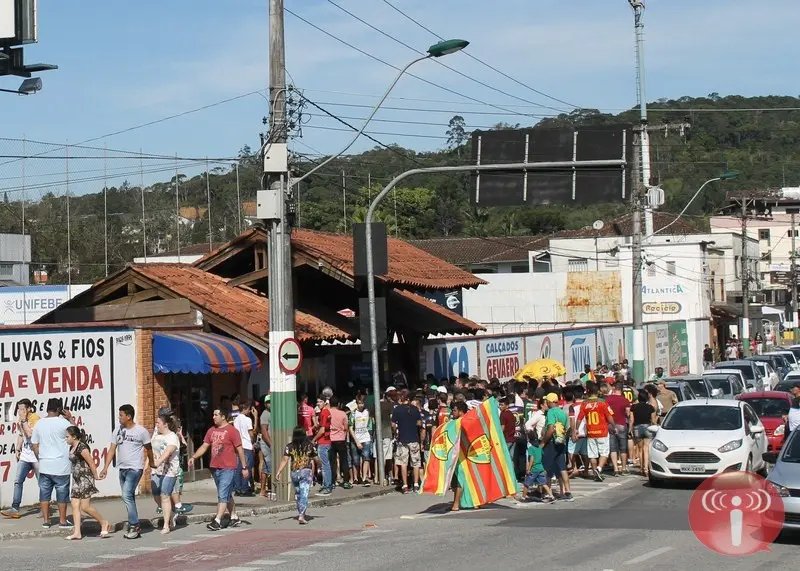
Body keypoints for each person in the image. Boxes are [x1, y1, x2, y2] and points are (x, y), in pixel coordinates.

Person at [189, 407, 249, 531]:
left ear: (223, 417)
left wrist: (244, 467)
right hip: (215, 467)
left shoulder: (232, 431)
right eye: (213, 414)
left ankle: (217, 520)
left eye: (216, 415)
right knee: (226, 493)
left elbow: (239, 450)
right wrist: (194, 457)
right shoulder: (211, 430)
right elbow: (205, 446)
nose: (213, 417)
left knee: (222, 493)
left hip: (228, 467)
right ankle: (234, 516)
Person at [99, 404, 154, 540]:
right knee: (128, 496)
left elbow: (149, 448)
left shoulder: (141, 431)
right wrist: (105, 468)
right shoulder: (117, 430)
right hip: (122, 468)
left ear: (129, 416)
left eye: (121, 415)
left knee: (126, 495)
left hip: (135, 468)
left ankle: (134, 525)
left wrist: (151, 463)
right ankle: (133, 523)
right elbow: (112, 449)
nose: (119, 417)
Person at [31, 399, 74, 529]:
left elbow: (34, 445)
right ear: (59, 409)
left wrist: (40, 458)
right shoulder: (64, 423)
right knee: (62, 494)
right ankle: (62, 521)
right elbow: (76, 436)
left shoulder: (39, 423)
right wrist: (70, 418)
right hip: (61, 465)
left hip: (45, 464)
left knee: (44, 494)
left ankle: (46, 521)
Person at [64, 426, 110, 540]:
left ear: (74, 437)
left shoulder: (82, 447)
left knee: (85, 507)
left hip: (85, 478)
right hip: (76, 479)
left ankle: (103, 522)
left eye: (67, 436)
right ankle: (77, 532)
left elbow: (91, 462)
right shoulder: (72, 447)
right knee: (75, 505)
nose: (66, 439)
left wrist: (95, 475)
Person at [2, 398, 40, 519]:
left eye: (22, 409)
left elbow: (30, 434)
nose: (20, 411)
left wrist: (24, 421)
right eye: (19, 409)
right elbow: (21, 435)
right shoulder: (21, 419)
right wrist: (18, 449)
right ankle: (15, 508)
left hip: (36, 456)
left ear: (29, 408)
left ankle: (45, 508)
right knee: (18, 481)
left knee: (42, 483)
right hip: (25, 456)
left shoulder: (35, 419)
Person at [275, 427, 317, 525]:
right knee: (304, 494)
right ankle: (301, 515)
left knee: (298, 494)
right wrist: (320, 466)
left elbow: (284, 460)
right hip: (306, 472)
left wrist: (279, 471)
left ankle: (300, 513)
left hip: (294, 472)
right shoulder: (310, 445)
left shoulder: (289, 446)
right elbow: (316, 458)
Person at [576, 382, 615, 482]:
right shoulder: (603, 402)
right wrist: (613, 426)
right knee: (604, 453)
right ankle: (599, 469)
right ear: (597, 391)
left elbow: (579, 418)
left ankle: (595, 474)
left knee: (592, 455)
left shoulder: (584, 404)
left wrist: (576, 429)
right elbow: (609, 416)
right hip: (602, 432)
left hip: (591, 432)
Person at [150, 412, 181, 534]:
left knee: (165, 495)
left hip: (169, 470)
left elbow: (168, 451)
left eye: (158, 423)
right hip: (156, 470)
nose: (156, 425)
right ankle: (171, 513)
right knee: (156, 494)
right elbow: (151, 451)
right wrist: (147, 464)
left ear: (165, 424)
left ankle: (166, 525)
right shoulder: (156, 435)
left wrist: (158, 462)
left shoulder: (172, 437)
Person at [540, 393, 573, 501]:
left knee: (546, 467)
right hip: (561, 442)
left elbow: (550, 429)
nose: (546, 403)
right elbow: (568, 429)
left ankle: (548, 493)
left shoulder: (551, 412)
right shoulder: (563, 412)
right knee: (562, 468)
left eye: (547, 401)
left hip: (551, 443)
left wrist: (543, 442)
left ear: (549, 402)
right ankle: (568, 492)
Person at [391, 389, 423, 494]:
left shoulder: (397, 409)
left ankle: (405, 485)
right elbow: (419, 423)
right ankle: (416, 484)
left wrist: (396, 431)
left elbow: (393, 424)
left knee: (403, 462)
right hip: (414, 438)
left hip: (402, 438)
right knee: (416, 462)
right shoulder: (415, 409)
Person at [628, 390, 657, 477]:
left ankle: (641, 468)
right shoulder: (650, 407)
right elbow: (653, 420)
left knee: (640, 449)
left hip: (637, 428)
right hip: (648, 427)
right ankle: (646, 469)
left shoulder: (633, 407)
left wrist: (630, 429)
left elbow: (631, 420)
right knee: (646, 448)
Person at [605, 382, 631, 476]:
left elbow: (606, 411)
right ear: (621, 389)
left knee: (613, 448)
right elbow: (628, 413)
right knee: (623, 448)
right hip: (622, 425)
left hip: (610, 425)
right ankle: (623, 468)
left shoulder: (608, 399)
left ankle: (615, 469)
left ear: (614, 389)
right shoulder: (625, 400)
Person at [328, 396, 353, 490]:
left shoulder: (328, 413)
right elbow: (346, 428)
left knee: (332, 461)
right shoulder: (343, 414)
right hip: (341, 439)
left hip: (331, 439)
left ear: (330, 403)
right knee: (344, 461)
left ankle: (333, 481)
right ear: (338, 404)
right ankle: (346, 481)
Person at [232, 400, 256, 496]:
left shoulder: (236, 420)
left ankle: (237, 488)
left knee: (239, 467)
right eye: (249, 409)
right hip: (247, 445)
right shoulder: (248, 420)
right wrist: (256, 417)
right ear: (245, 409)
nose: (249, 411)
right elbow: (251, 433)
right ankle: (244, 488)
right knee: (247, 467)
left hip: (239, 445)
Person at [522, 431, 553, 503]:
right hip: (540, 468)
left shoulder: (531, 448)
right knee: (544, 483)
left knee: (526, 484)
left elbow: (531, 459)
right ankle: (551, 496)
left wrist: (528, 469)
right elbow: (542, 456)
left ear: (529, 439)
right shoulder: (539, 448)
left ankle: (523, 497)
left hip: (534, 468)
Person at [350, 397, 374, 486]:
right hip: (356, 438)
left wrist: (370, 435)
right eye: (359, 403)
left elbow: (370, 423)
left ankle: (364, 478)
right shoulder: (353, 414)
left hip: (366, 437)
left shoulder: (367, 412)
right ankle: (356, 478)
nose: (361, 405)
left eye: (362, 403)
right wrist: (356, 441)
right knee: (355, 460)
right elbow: (350, 428)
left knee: (366, 457)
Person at [312, 396, 333, 495]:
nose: (318, 403)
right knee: (325, 465)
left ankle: (327, 487)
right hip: (326, 441)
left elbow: (322, 430)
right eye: (317, 402)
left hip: (323, 442)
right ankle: (326, 485)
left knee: (325, 466)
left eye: (320, 402)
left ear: (325, 402)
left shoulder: (324, 413)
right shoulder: (325, 412)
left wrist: (314, 439)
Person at [449, 402, 468, 511]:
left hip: (461, 455)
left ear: (460, 411)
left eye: (454, 410)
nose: (453, 412)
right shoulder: (466, 421)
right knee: (461, 479)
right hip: (463, 454)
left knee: (459, 479)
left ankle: (456, 504)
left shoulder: (461, 422)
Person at [259, 395, 273, 497]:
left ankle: (265, 489)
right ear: (265, 404)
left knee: (266, 466)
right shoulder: (265, 414)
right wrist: (271, 445)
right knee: (269, 466)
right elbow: (264, 432)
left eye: (271, 402)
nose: (270, 404)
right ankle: (264, 490)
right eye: (268, 402)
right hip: (267, 444)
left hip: (271, 443)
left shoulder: (273, 413)